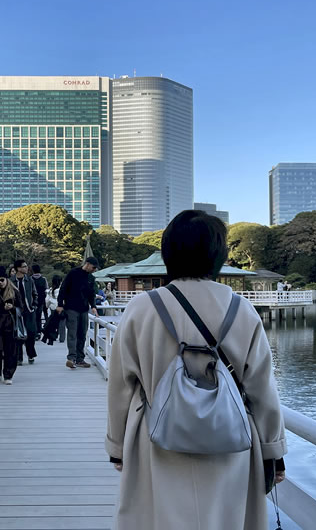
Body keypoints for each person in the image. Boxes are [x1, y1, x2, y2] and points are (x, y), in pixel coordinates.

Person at [105, 210, 286, 530]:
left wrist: (117, 446)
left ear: (168, 253)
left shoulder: (141, 308)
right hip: (229, 438)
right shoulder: (241, 309)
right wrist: (273, 450)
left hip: (156, 436)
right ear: (219, 255)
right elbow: (262, 390)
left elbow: (120, 385)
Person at [57, 256, 98, 369]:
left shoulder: (91, 278)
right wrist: (60, 304)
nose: (94, 270)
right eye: (93, 267)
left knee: (82, 334)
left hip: (84, 309)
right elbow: (63, 288)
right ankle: (71, 358)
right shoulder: (73, 273)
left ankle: (80, 359)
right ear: (87, 264)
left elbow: (92, 293)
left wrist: (93, 306)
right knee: (72, 333)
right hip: (71, 308)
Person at [13, 260, 39, 364]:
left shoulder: (29, 280)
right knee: (18, 334)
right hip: (16, 311)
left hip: (29, 310)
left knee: (31, 333)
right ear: (18, 268)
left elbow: (34, 293)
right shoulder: (11, 281)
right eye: (24, 266)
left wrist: (34, 305)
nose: (26, 268)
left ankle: (30, 354)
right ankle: (19, 357)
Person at [42, 274, 64, 344]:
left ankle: (52, 335)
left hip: (53, 308)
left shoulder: (51, 290)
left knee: (53, 323)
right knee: (62, 323)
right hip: (61, 308)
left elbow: (47, 300)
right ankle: (62, 337)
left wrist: (47, 306)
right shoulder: (62, 289)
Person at [31, 264, 48, 333]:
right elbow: (46, 289)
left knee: (33, 317)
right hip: (41, 300)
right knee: (39, 316)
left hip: (32, 300)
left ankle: (34, 331)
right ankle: (39, 330)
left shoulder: (30, 279)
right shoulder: (43, 279)